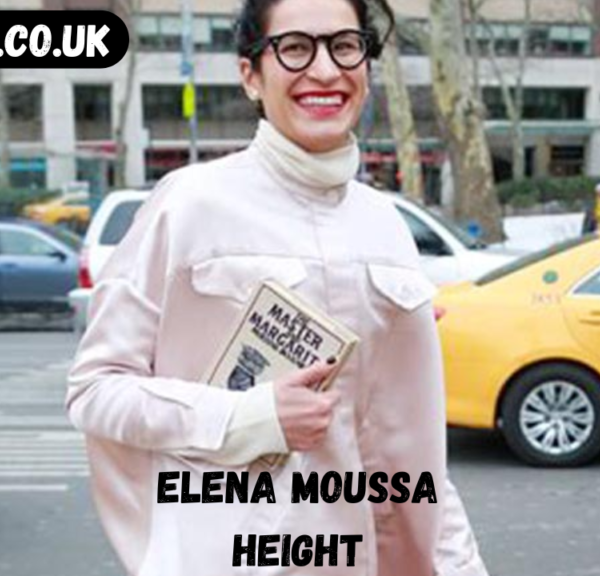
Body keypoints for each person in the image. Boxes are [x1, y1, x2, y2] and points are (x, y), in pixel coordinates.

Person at [66, 0, 488, 574]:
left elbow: (411, 448)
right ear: (250, 75)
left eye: (345, 46)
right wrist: (247, 417)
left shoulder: (386, 225)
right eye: (295, 48)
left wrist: (461, 565)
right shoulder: (189, 204)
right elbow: (95, 391)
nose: (325, 70)